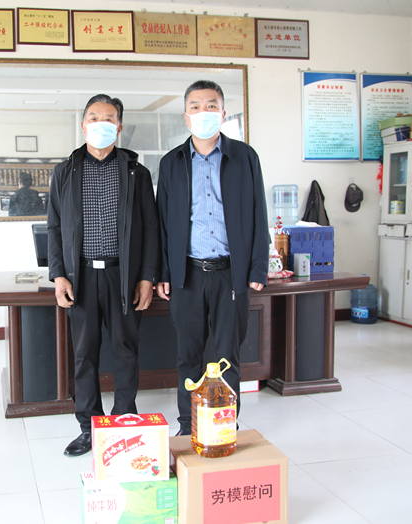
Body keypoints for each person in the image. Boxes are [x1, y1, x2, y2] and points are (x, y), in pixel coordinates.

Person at [47, 94, 160, 456]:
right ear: (84, 125)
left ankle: (124, 418)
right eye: (94, 117)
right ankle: (89, 427)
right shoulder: (64, 172)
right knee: (85, 355)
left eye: (108, 118)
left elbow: (151, 228)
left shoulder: (136, 173)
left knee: (125, 351)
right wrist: (58, 275)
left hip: (122, 276)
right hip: (80, 277)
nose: (101, 124)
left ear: (119, 126)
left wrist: (147, 277)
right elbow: (53, 227)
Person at [156, 80, 269, 436]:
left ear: (222, 113)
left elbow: (258, 212)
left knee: (226, 358)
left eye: (210, 106)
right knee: (188, 357)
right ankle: (188, 425)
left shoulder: (245, 157)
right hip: (187, 275)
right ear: (185, 116)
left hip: (230, 274)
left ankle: (224, 426)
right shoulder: (171, 163)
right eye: (195, 106)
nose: (203, 112)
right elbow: (162, 222)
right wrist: (164, 272)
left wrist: (258, 266)